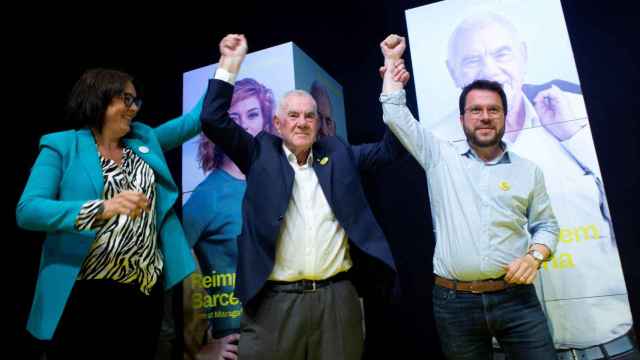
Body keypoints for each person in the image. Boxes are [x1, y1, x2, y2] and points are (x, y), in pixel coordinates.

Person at [432, 12, 638, 358]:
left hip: (605, 345)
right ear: (452, 70)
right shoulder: (438, 147)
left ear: (524, 55)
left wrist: (574, 137)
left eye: (502, 53)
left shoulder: (575, 114)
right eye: (471, 59)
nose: (489, 69)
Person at [200, 34, 404, 360]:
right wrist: (229, 64)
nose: (303, 122)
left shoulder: (338, 153)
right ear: (277, 123)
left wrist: (392, 82)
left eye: (309, 116)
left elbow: (391, 149)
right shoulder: (258, 152)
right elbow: (212, 119)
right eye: (293, 116)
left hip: (336, 299)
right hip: (273, 303)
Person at [380, 34, 559, 359]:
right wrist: (392, 62)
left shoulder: (529, 171)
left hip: (516, 300)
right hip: (454, 303)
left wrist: (535, 256)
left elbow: (547, 225)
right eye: (475, 110)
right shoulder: (439, 156)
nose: (485, 116)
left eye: (493, 109)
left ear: (505, 115)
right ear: (462, 119)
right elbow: (395, 117)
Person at [16, 68, 205, 359]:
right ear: (98, 99)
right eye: (126, 99)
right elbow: (29, 210)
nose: (134, 108)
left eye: (136, 101)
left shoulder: (144, 141)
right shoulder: (62, 145)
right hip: (83, 295)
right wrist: (101, 208)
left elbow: (193, 121)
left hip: (142, 295)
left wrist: (228, 68)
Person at [182, 77, 276, 360]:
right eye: (233, 117)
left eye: (252, 114)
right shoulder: (206, 197)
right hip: (237, 341)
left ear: (266, 121)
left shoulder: (274, 183)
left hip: (281, 330)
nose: (245, 124)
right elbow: (173, 275)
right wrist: (197, 348)